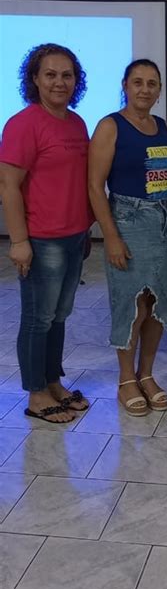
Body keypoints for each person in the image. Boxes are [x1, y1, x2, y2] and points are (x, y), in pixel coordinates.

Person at [88, 59, 167, 416]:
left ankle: (147, 375)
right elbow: (95, 187)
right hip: (129, 221)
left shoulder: (164, 127)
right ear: (125, 86)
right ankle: (126, 380)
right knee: (135, 305)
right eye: (138, 82)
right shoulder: (110, 127)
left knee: (159, 304)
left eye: (152, 83)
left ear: (159, 90)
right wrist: (111, 237)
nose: (145, 89)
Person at [0, 43, 91, 423]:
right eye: (50, 74)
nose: (59, 82)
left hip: (74, 237)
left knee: (58, 316)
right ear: (34, 79)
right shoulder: (23, 124)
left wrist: (87, 230)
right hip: (41, 239)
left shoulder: (76, 123)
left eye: (67, 75)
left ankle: (53, 380)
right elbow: (8, 186)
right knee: (38, 318)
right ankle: (36, 393)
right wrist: (19, 242)